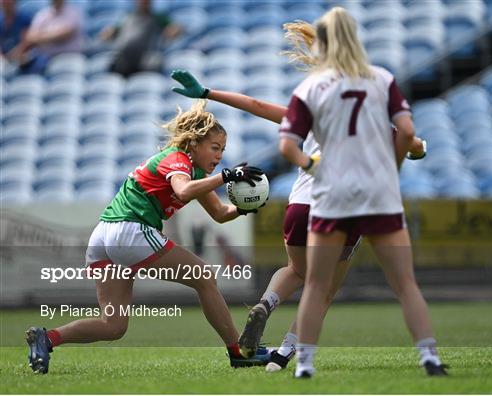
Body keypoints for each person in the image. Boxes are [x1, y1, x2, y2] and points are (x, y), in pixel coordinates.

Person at [169, 20, 434, 375]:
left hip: (300, 205)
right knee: (322, 289)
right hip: (344, 208)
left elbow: (257, 105)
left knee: (295, 269)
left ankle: (266, 303)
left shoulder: (312, 105)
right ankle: (284, 356)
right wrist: (418, 149)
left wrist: (206, 92)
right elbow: (411, 143)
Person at [25, 100, 271, 374]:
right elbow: (184, 191)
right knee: (204, 276)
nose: (219, 156)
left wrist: (245, 207)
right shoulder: (177, 160)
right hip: (130, 231)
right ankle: (238, 351)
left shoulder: (195, 173)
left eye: (223, 150)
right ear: (193, 144)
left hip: (105, 235)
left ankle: (46, 339)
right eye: (215, 148)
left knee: (113, 326)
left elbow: (220, 213)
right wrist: (227, 176)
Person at [277, 7, 447, 378]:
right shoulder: (381, 79)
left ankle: (303, 364)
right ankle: (429, 357)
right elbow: (406, 132)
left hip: (332, 192)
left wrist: (311, 167)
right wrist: (395, 166)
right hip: (377, 192)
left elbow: (287, 147)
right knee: (404, 283)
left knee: (317, 285)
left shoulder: (311, 87)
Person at [100, 0, 182, 78]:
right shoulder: (128, 17)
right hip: (124, 57)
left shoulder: (158, 17)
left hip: (145, 58)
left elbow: (174, 28)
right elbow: (112, 32)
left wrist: (172, 30)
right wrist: (108, 33)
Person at [17, 0, 83, 74]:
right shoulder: (42, 15)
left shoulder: (73, 13)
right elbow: (30, 37)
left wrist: (42, 35)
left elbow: (64, 35)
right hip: (46, 58)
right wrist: (53, 35)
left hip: (70, 57)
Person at [0, 0, 32, 67]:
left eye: (8, 3)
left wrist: (11, 55)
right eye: (4, 4)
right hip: (5, 59)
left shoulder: (24, 17)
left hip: (23, 57)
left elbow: (26, 41)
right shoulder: (1, 20)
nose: (6, 7)